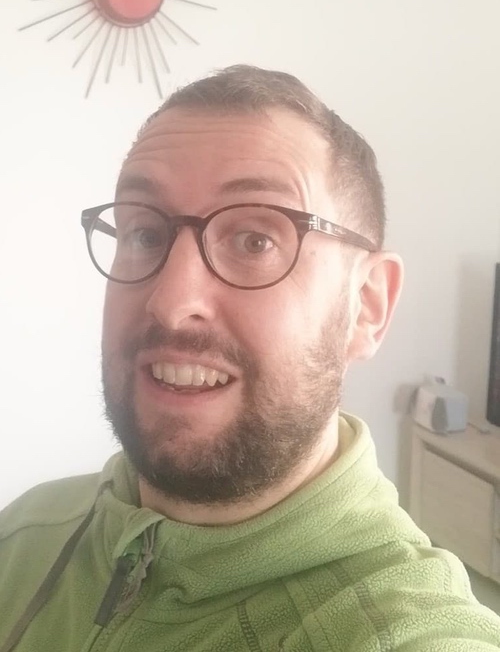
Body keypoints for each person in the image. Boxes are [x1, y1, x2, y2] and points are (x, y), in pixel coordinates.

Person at [1, 65, 499, 652]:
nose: (171, 304)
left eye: (256, 241)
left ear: (367, 306)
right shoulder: (27, 532)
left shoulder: (402, 631)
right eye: (144, 234)